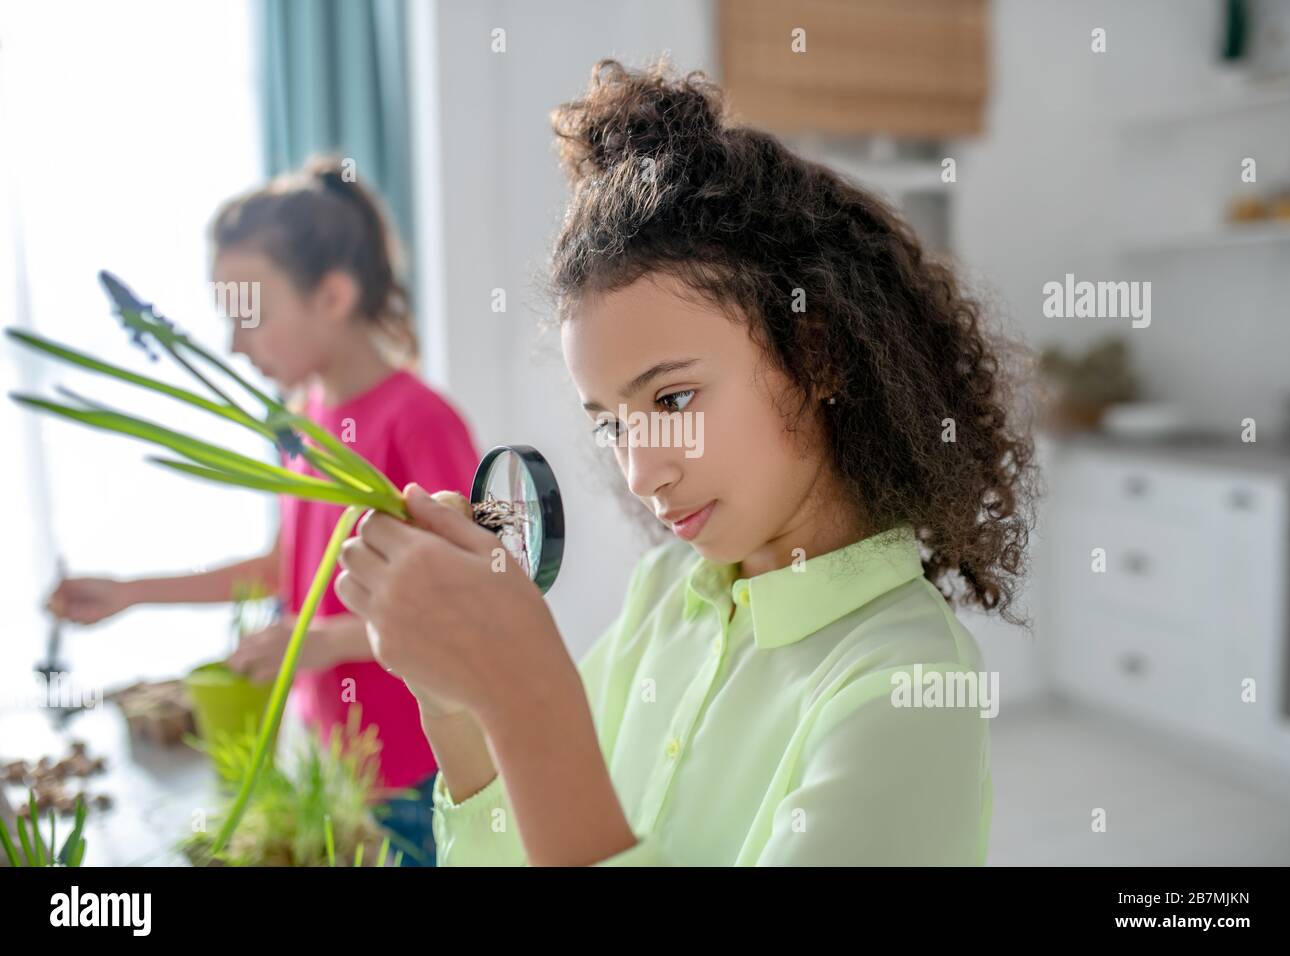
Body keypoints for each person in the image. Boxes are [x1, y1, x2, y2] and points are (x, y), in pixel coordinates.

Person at [334, 59, 1039, 866]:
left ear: (816, 356)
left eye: (671, 401)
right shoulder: (667, 593)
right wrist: (454, 701)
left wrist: (528, 697)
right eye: (611, 426)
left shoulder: (906, 688)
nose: (640, 476)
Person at [46, 156, 480, 866]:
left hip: (421, 769)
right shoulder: (305, 421)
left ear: (333, 295)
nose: (233, 343)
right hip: (340, 765)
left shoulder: (418, 421)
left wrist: (320, 645)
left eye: (250, 313)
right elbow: (290, 567)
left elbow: (467, 599)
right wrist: (132, 593)